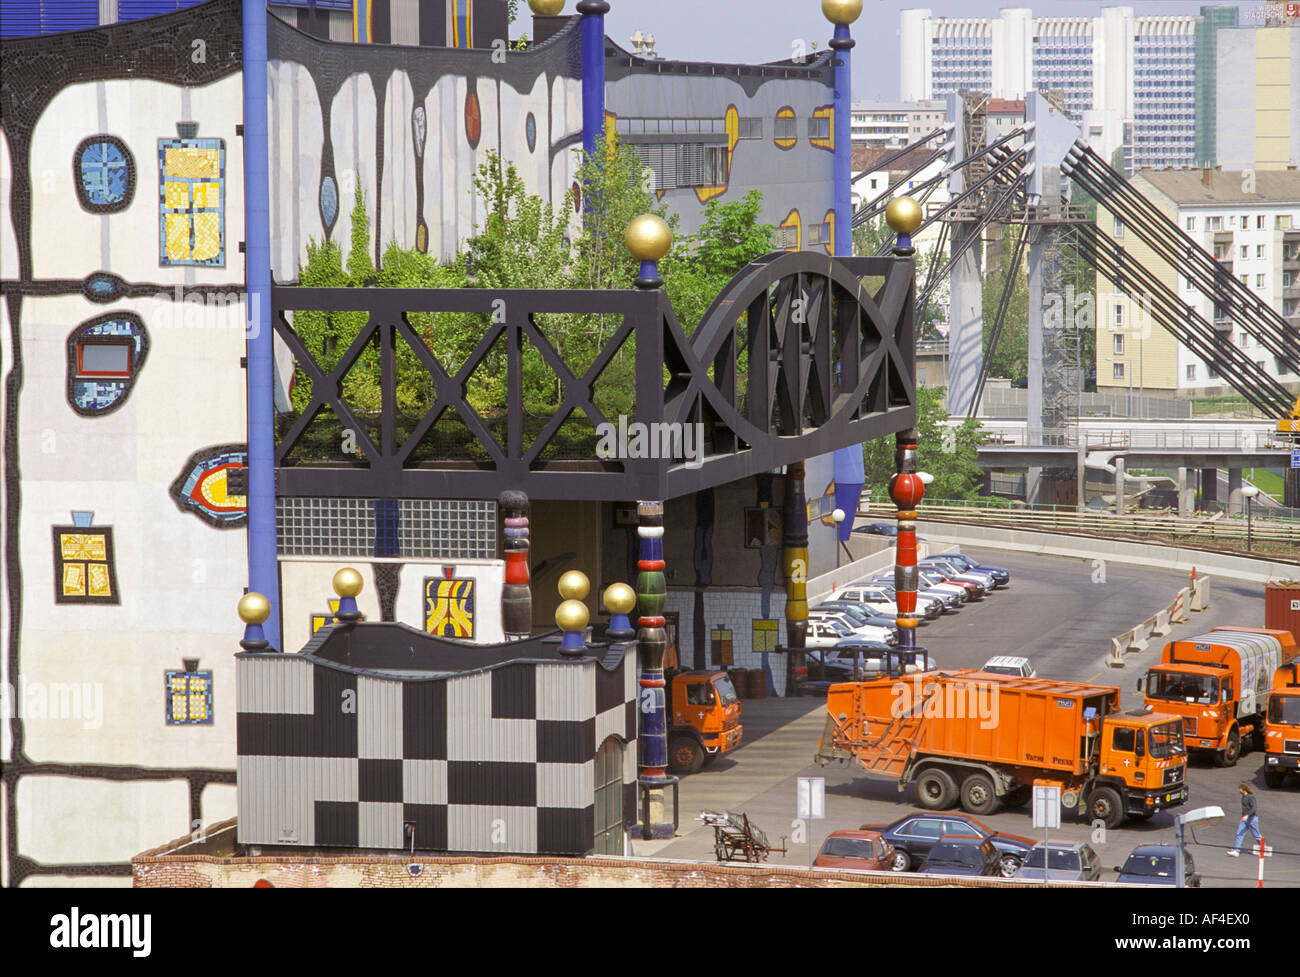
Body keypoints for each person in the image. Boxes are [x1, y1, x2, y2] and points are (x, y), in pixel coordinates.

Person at [1226, 783, 1261, 857]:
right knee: (1239, 833)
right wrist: (1244, 816)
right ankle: (1236, 851)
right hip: (1244, 819)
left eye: (1240, 789)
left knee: (1257, 835)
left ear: (1243, 789)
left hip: (1252, 819)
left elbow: (1254, 808)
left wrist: (1247, 815)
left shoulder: (1250, 797)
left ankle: (1264, 849)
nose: (1239, 790)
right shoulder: (1243, 797)